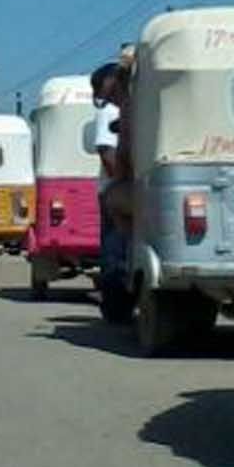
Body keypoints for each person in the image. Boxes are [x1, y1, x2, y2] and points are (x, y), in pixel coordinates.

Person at [92, 60, 133, 324]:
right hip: (125, 187)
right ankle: (118, 302)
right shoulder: (123, 108)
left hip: (117, 188)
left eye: (98, 89)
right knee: (118, 247)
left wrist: (120, 179)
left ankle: (116, 305)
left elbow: (107, 153)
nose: (99, 97)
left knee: (114, 249)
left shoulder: (113, 109)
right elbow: (109, 152)